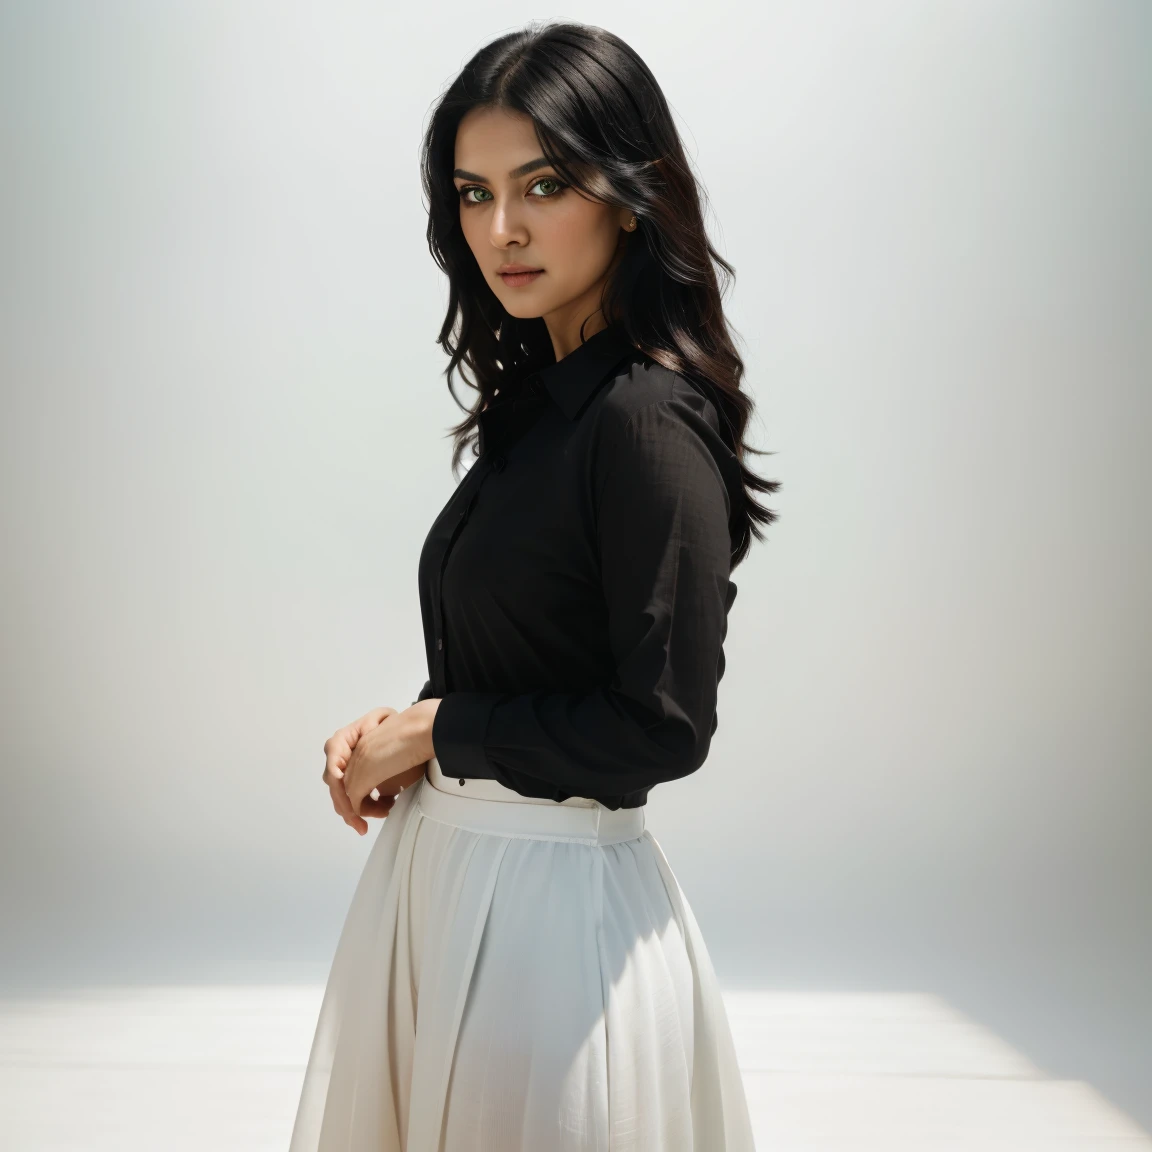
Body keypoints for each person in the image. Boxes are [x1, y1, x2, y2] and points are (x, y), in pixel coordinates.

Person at [290, 20, 779, 1152]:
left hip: (556, 933)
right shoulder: (539, 406)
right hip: (456, 889)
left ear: (626, 194)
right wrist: (404, 721)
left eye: (543, 185)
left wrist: (441, 729)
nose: (499, 230)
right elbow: (529, 644)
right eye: (471, 194)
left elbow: (658, 728)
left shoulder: (645, 421)